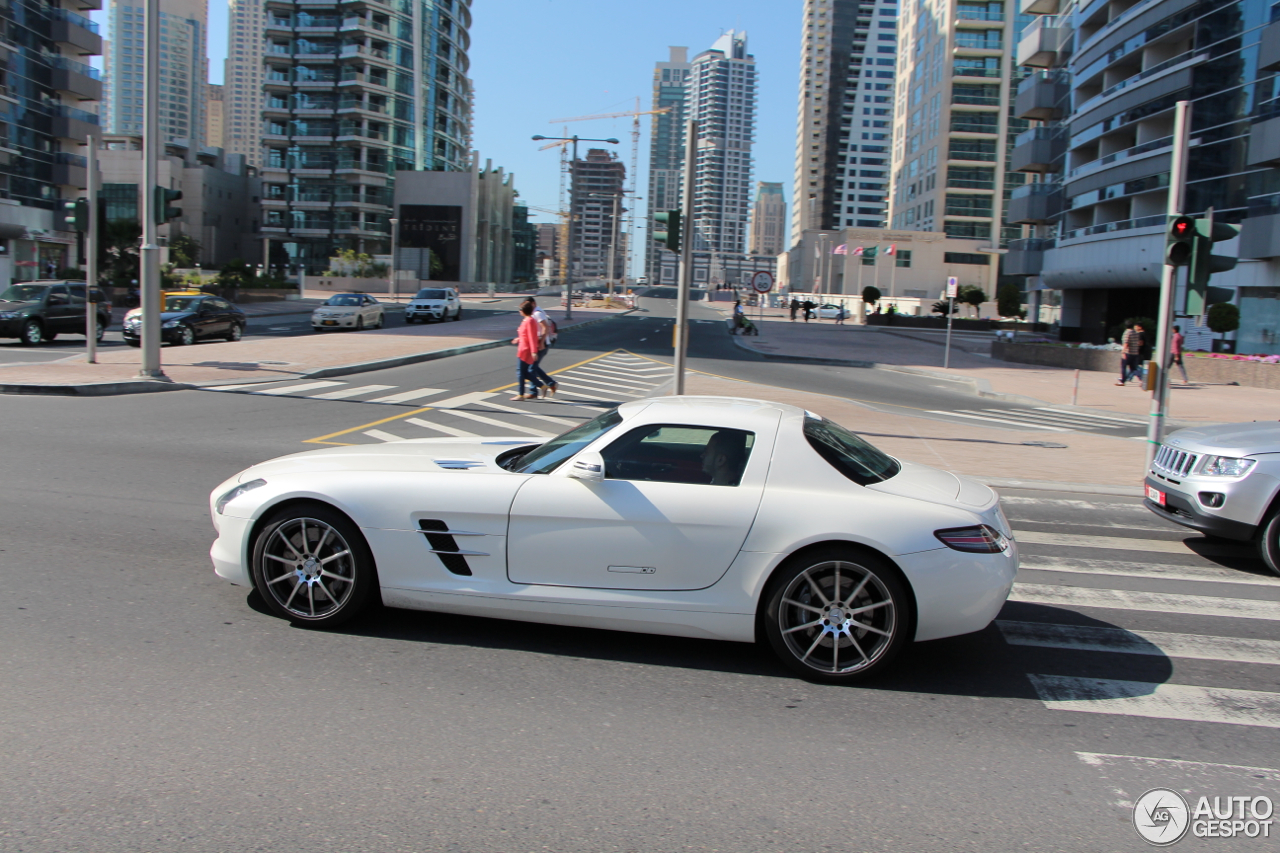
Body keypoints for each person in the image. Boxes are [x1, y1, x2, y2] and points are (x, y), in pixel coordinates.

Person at [522, 297, 557, 397]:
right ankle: (551, 384)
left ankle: (534, 392)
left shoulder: (537, 313)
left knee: (531, 369)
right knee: (533, 367)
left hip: (542, 344)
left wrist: (541, 342)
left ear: (533, 303)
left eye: (528, 304)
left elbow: (545, 327)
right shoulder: (535, 312)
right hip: (538, 343)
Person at [511, 302, 545, 401]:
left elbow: (532, 337)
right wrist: (518, 339)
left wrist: (534, 351)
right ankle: (542, 386)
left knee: (520, 372)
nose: (519, 311)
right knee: (525, 373)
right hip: (523, 347)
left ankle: (521, 394)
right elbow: (525, 335)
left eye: (520, 310)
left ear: (524, 311)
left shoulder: (529, 321)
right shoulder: (527, 320)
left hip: (525, 350)